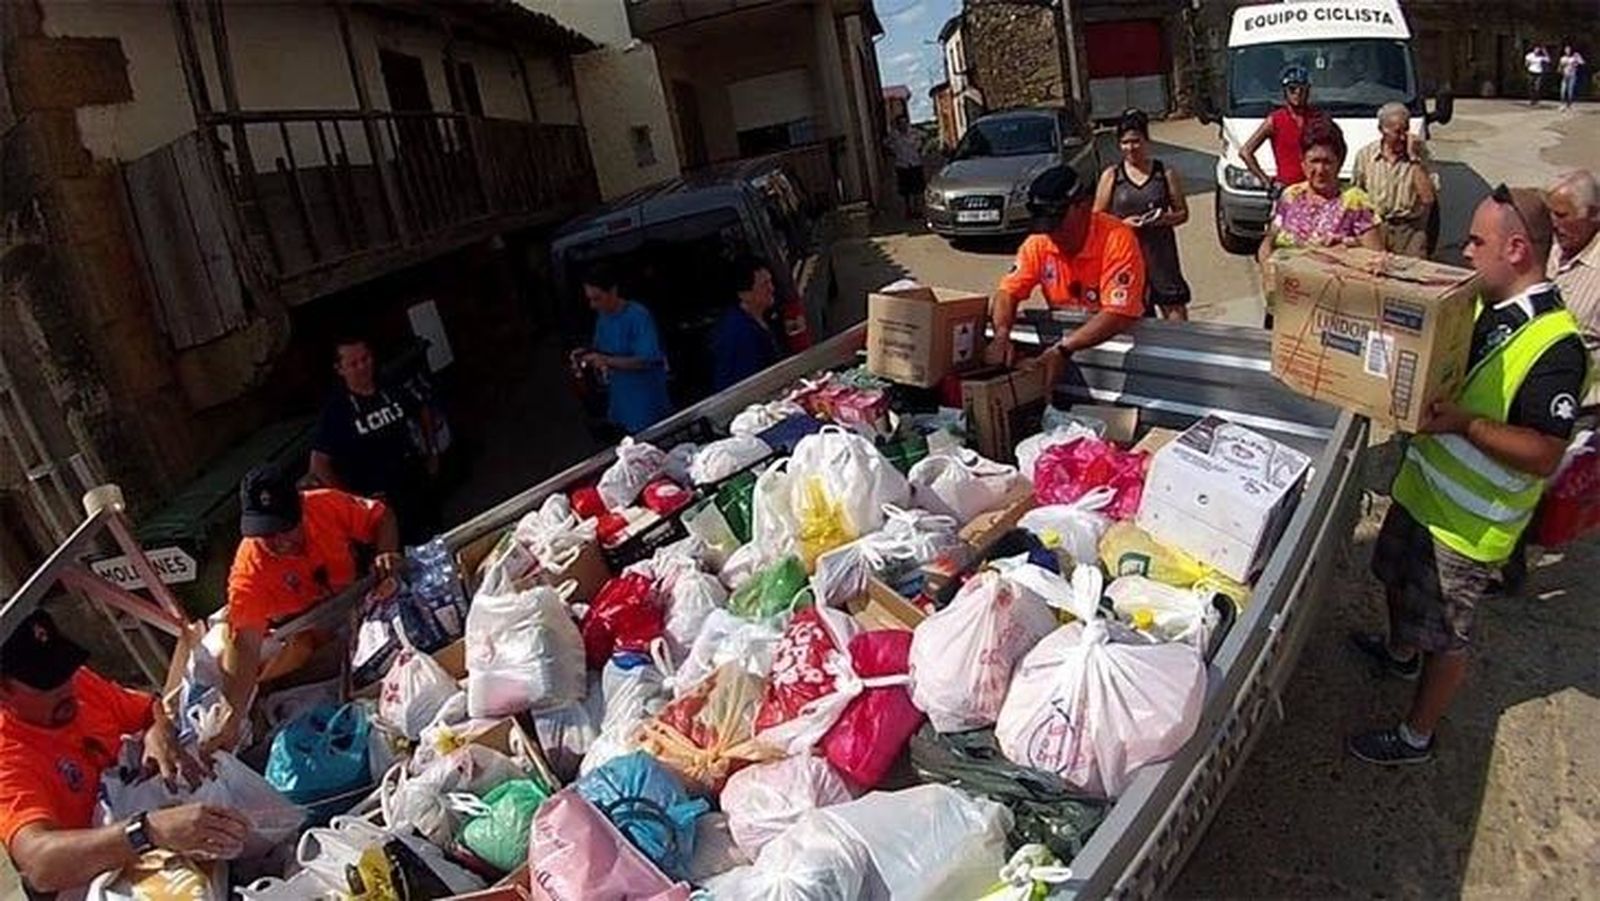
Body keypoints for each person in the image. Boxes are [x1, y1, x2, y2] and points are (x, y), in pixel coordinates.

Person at [1347, 185, 1588, 766]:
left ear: (1516, 249)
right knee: (1395, 582)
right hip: (1421, 495)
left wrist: (1462, 424)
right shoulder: (1481, 308)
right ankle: (1398, 653)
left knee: (1447, 638)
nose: (1463, 252)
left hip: (1466, 527)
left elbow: (1543, 454)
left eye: (1476, 242)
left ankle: (1416, 737)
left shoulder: (1558, 347)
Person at [1, 610, 251, 894]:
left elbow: (149, 708)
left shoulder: (79, 683)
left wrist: (159, 734)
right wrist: (147, 832)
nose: (66, 688)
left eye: (64, 670)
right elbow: (39, 865)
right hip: (93, 875)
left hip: (148, 822)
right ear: (3, 692)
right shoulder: (8, 757)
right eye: (45, 682)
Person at [210, 464, 402, 753]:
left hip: (351, 607)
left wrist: (386, 553)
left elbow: (380, 515)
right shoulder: (250, 568)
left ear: (300, 507)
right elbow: (245, 645)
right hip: (295, 638)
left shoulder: (324, 505)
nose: (278, 542)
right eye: (267, 533)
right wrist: (230, 722)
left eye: (285, 528)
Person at [989, 164, 1146, 389]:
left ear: (1082, 206)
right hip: (1067, 350)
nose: (1052, 233)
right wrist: (1002, 334)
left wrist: (1063, 349)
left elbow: (1118, 314)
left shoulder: (1117, 238)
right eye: (1046, 226)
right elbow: (1007, 292)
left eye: (1058, 223)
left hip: (1122, 352)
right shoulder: (1039, 242)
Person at [310, 335, 440, 544]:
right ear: (340, 369)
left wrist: (433, 451)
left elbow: (422, 408)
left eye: (365, 359)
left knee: (435, 539)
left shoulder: (389, 385)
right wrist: (353, 502)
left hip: (414, 480)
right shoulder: (336, 411)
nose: (362, 367)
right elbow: (318, 464)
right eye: (353, 364)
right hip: (379, 499)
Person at [1093, 108, 1192, 320]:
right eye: (1125, 142)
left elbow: (1182, 213)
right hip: (1126, 257)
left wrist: (1164, 219)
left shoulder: (1164, 173)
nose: (1131, 148)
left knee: (1175, 316)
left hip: (1161, 255)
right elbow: (1097, 219)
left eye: (1136, 141)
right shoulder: (1112, 175)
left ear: (1146, 140)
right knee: (1135, 318)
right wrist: (1123, 224)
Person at [1258, 118, 1383, 272]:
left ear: (1340, 163)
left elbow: (1376, 258)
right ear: (1303, 163)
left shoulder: (1356, 201)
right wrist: (1267, 268)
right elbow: (1269, 240)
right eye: (1314, 161)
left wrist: (1348, 245)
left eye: (1327, 162)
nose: (1320, 170)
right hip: (1289, 289)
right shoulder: (1290, 196)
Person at [570, 263, 673, 436]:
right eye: (589, 299)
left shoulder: (638, 316)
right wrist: (585, 353)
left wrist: (606, 361)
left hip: (645, 401)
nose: (593, 305)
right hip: (622, 399)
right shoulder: (603, 317)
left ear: (613, 291)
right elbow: (601, 347)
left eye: (597, 298)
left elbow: (646, 359)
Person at [1352, 102, 1437, 258]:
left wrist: (1413, 159)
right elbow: (1357, 194)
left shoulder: (1420, 154)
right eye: (1397, 132)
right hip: (1376, 227)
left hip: (1410, 231)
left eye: (1406, 130)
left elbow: (1428, 198)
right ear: (1382, 130)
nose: (1403, 137)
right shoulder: (1365, 155)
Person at [1545, 169, 1600, 405]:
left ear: (1594, 214)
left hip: (1581, 410)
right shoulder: (1549, 246)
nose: (1553, 224)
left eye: (1561, 215)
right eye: (1549, 214)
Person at [1240, 64, 1323, 194]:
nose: (1298, 93)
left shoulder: (1319, 118)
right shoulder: (1275, 120)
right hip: (1286, 190)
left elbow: (1337, 149)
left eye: (1302, 89)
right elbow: (1245, 152)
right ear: (1285, 91)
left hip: (1315, 190)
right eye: (1292, 89)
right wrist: (1265, 181)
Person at [710, 255, 782, 391]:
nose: (771, 289)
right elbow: (747, 385)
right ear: (745, 294)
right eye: (764, 285)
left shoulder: (764, 318)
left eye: (770, 282)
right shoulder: (738, 333)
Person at [886, 116, 925, 220]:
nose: (903, 125)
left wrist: (920, 149)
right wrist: (893, 153)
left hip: (915, 163)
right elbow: (886, 145)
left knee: (917, 189)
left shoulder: (914, 133)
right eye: (900, 123)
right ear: (897, 125)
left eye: (904, 123)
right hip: (902, 165)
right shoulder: (894, 136)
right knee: (905, 190)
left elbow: (923, 138)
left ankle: (918, 210)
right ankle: (908, 210)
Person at [1559, 45, 1586, 111]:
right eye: (1566, 50)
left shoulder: (1574, 58)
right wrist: (1561, 69)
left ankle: (1569, 105)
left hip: (1572, 75)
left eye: (1569, 50)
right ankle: (1562, 105)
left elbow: (1582, 63)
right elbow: (1560, 68)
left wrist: (1578, 57)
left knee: (1570, 91)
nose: (1567, 51)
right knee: (1563, 90)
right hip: (1565, 76)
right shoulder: (1563, 58)